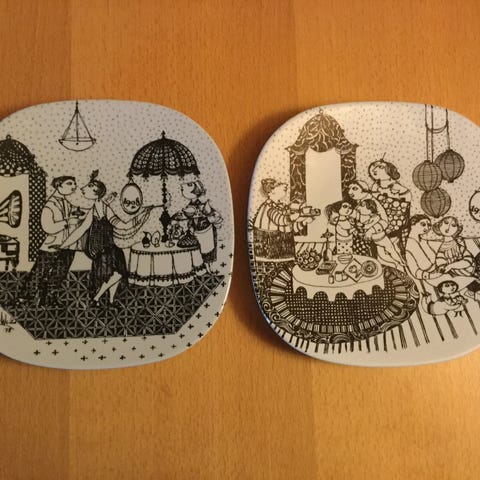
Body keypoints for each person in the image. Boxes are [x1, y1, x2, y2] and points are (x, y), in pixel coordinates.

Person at [59, 171, 127, 304]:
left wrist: (131, 225)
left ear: (96, 193)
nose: (83, 189)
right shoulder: (95, 208)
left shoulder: (103, 207)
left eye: (88, 187)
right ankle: (97, 298)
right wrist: (64, 245)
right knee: (116, 274)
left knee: (116, 274)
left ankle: (110, 301)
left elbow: (117, 223)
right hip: (101, 249)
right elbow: (81, 230)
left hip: (108, 248)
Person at [19, 175, 80, 305]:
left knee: (59, 274)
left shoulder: (68, 204)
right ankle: (25, 297)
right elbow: (47, 227)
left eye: (74, 184)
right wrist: (67, 223)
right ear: (59, 185)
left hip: (68, 246)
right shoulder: (50, 205)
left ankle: (49, 299)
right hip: (52, 245)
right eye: (69, 183)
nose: (74, 186)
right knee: (39, 272)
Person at [252, 178, 316, 261]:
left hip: (281, 243)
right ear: (271, 191)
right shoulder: (269, 207)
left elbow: (289, 227)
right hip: (269, 245)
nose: (285, 185)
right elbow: (281, 220)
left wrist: (304, 221)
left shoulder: (279, 206)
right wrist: (300, 214)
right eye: (279, 184)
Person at [172, 179, 223, 273]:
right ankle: (206, 268)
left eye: (188, 185)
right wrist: (190, 226)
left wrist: (209, 218)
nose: (182, 188)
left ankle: (211, 268)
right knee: (201, 251)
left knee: (209, 250)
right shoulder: (189, 206)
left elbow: (211, 214)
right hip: (198, 232)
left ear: (195, 190)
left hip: (206, 230)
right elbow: (190, 219)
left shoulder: (203, 204)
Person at [357, 199, 405, 270]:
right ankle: (395, 264)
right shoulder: (363, 216)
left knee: (391, 250)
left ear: (370, 210)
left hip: (382, 238)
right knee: (383, 256)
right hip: (375, 241)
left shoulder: (376, 217)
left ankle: (400, 261)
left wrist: (364, 227)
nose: (359, 208)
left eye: (362, 206)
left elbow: (372, 226)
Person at [405, 214, 441, 280]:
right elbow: (415, 272)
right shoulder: (409, 245)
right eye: (423, 224)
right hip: (428, 278)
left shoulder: (424, 241)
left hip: (437, 271)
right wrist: (433, 276)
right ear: (413, 224)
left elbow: (441, 245)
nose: (427, 227)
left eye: (429, 225)